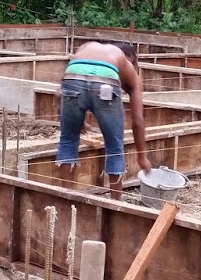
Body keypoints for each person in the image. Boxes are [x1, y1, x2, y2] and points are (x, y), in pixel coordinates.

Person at [57, 40, 151, 198]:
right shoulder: (130, 71)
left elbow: (60, 93)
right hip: (105, 85)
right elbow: (137, 120)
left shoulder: (85, 48)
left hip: (73, 77)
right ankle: (115, 203)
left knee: (68, 140)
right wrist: (142, 157)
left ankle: (66, 197)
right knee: (115, 147)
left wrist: (70, 118)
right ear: (133, 63)